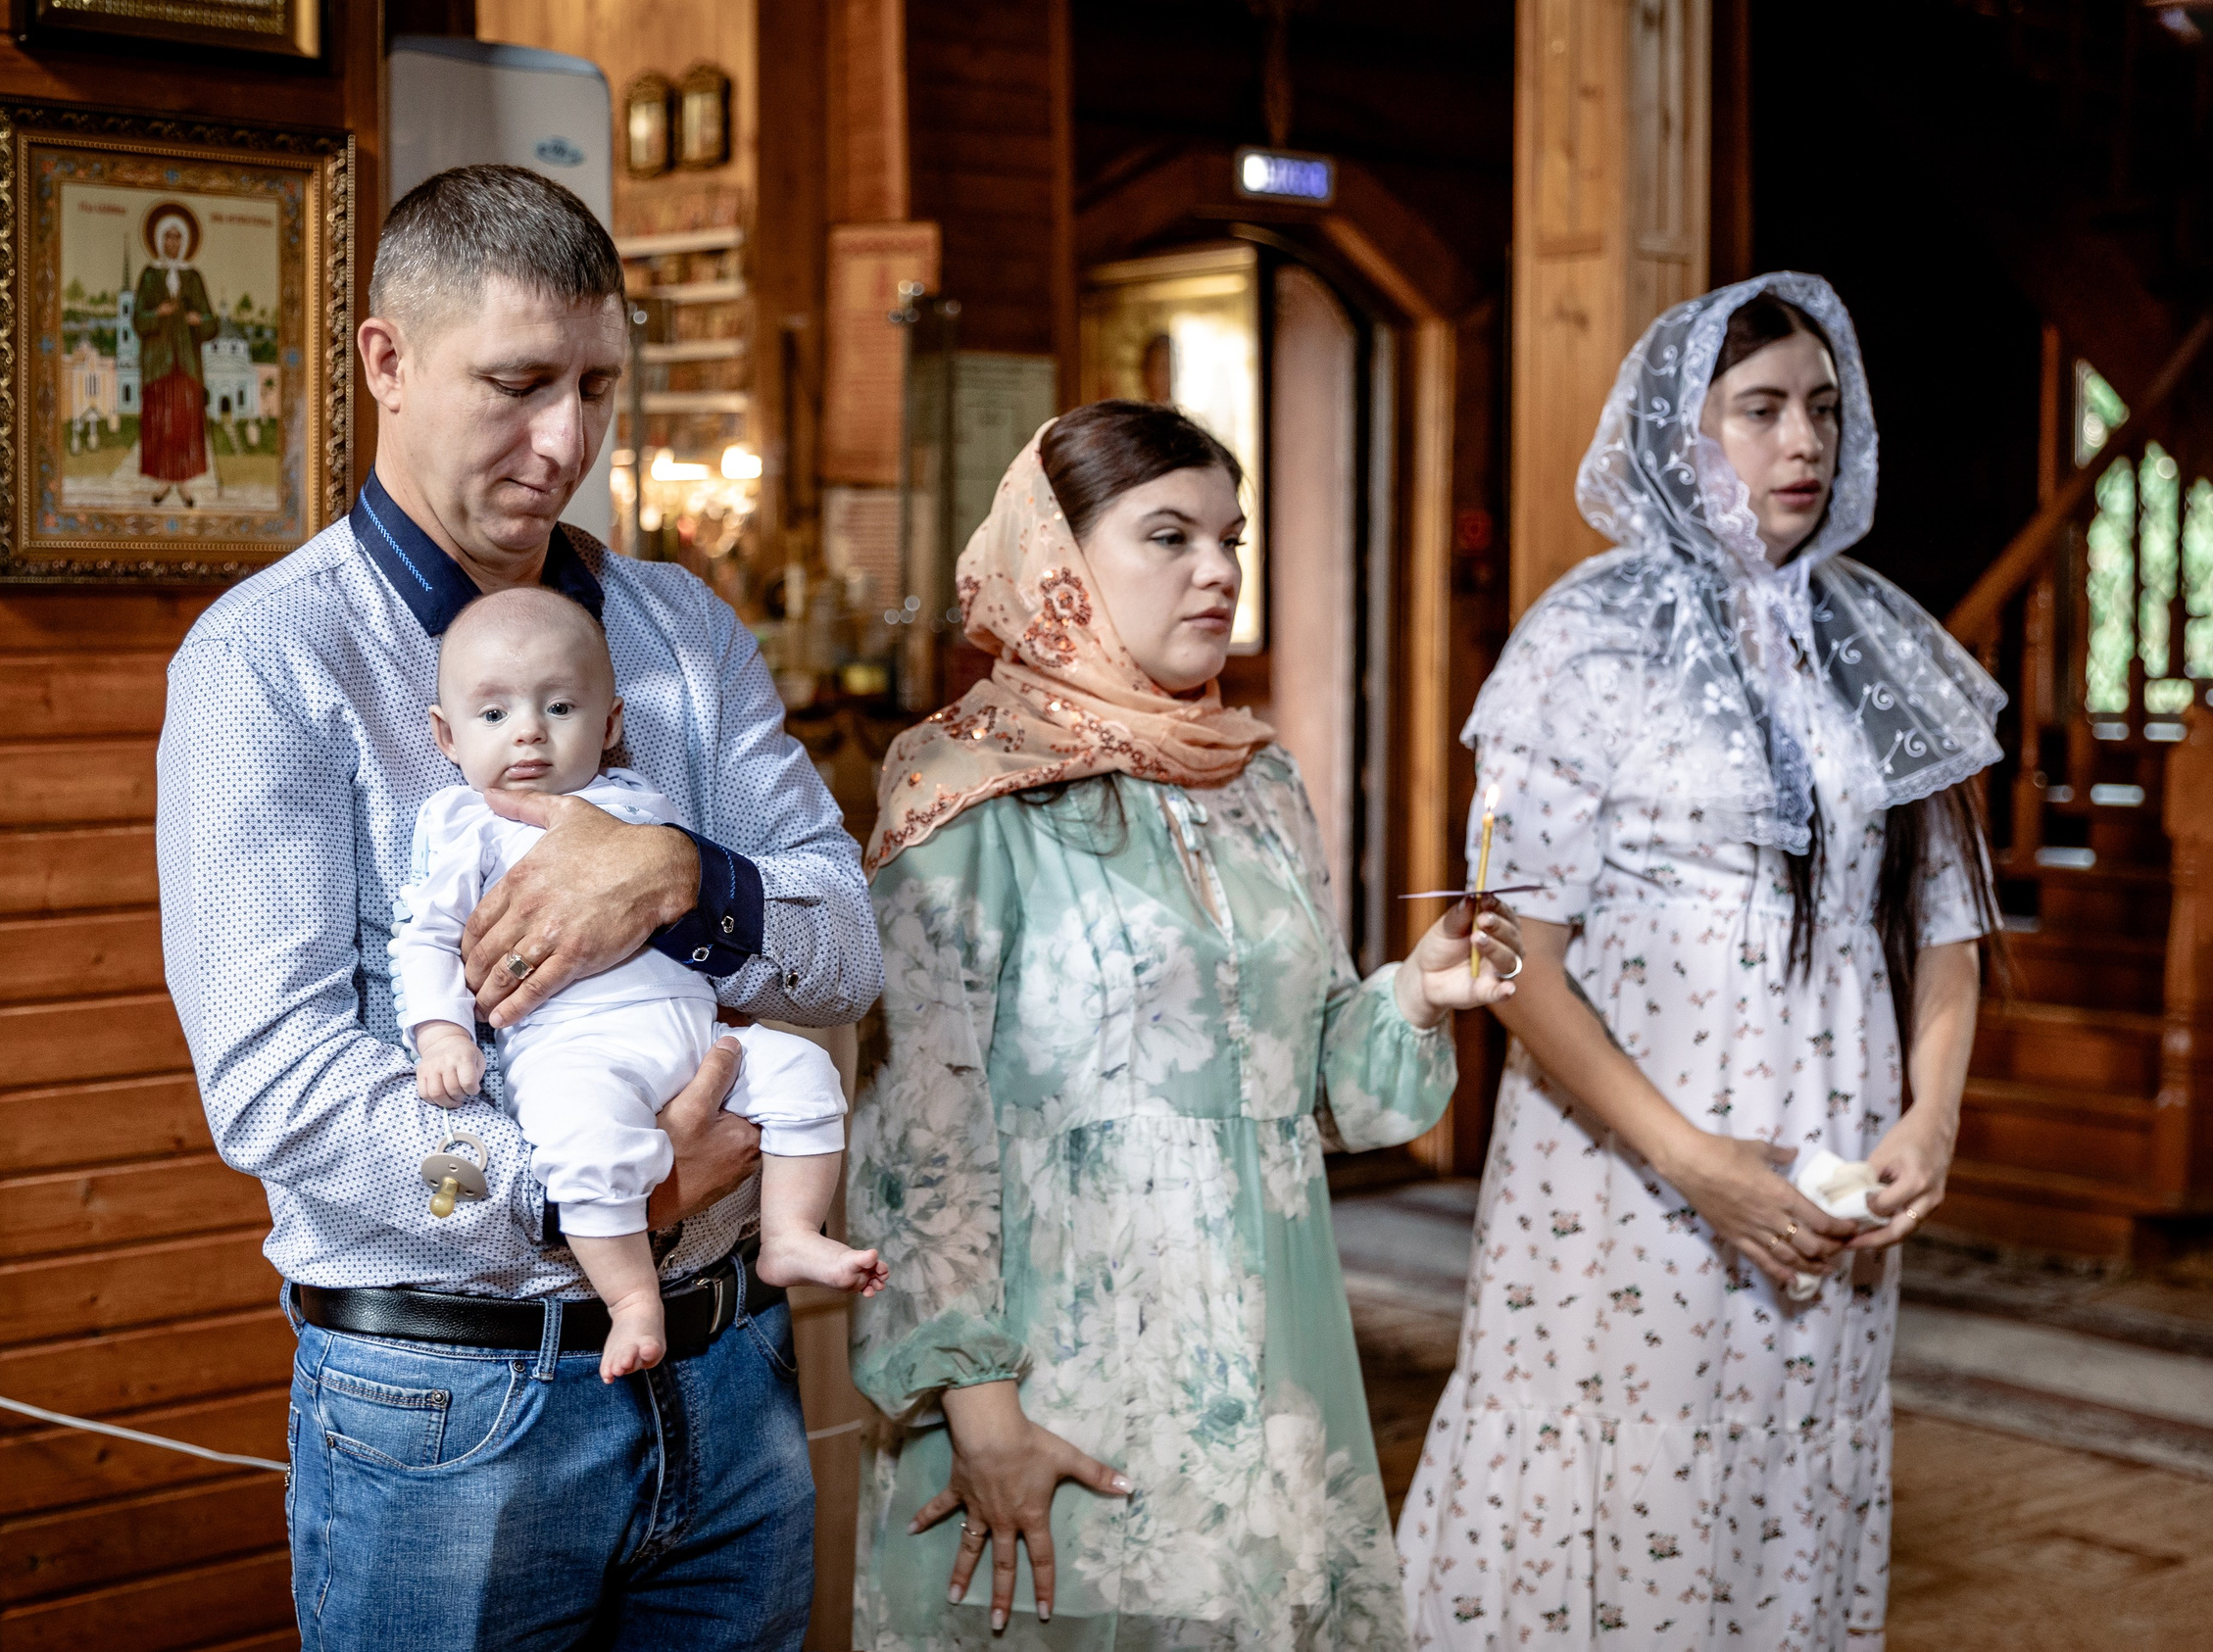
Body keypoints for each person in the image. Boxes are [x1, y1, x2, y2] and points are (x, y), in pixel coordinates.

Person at [155, 164, 881, 1651]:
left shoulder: (680, 629)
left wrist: (685, 874)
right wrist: (589, 1190)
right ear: (386, 361)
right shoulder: (270, 663)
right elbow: (275, 1088)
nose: (568, 444)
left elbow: (847, 945)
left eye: (598, 388)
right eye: (519, 383)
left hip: (731, 1372)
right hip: (453, 1411)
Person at [850, 400, 1525, 1652]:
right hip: (1054, 1373)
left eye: (1233, 538)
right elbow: (912, 1121)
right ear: (1058, 561)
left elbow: (1323, 1073)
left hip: (1270, 1356)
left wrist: (1415, 993)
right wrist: (981, 1411)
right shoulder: (958, 782)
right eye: (1169, 537)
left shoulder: (1256, 778)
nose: (1216, 570)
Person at [1395, 274, 1999, 1649]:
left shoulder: (1875, 637)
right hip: (1630, 1164)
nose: (1803, 444)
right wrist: (1690, 1157)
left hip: (1828, 1157)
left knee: (1789, 1477)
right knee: (1628, 1480)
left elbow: (1946, 914)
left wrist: (1931, 1112)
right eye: (1761, 410)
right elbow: (1516, 952)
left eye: (1824, 412)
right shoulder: (1585, 638)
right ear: (1681, 435)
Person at [390, 585, 885, 1380]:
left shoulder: (639, 806)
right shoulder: (466, 825)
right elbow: (427, 936)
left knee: (804, 1071)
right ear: (446, 735)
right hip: (574, 1054)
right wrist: (442, 1030)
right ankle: (631, 1298)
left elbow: (816, 936)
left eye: (559, 706)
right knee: (587, 1147)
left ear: (611, 722)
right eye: (493, 716)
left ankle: (790, 1231)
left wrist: (680, 869)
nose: (527, 732)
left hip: (697, 1043)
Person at [134, 203, 219, 507]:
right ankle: (160, 482)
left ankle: (182, 483)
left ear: (183, 242)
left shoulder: (193, 277)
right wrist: (157, 313)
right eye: (168, 237)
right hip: (158, 364)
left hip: (187, 365)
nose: (173, 243)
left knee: (184, 423)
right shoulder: (149, 277)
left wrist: (199, 321)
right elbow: (138, 321)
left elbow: (212, 323)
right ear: (159, 241)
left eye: (177, 237)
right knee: (160, 422)